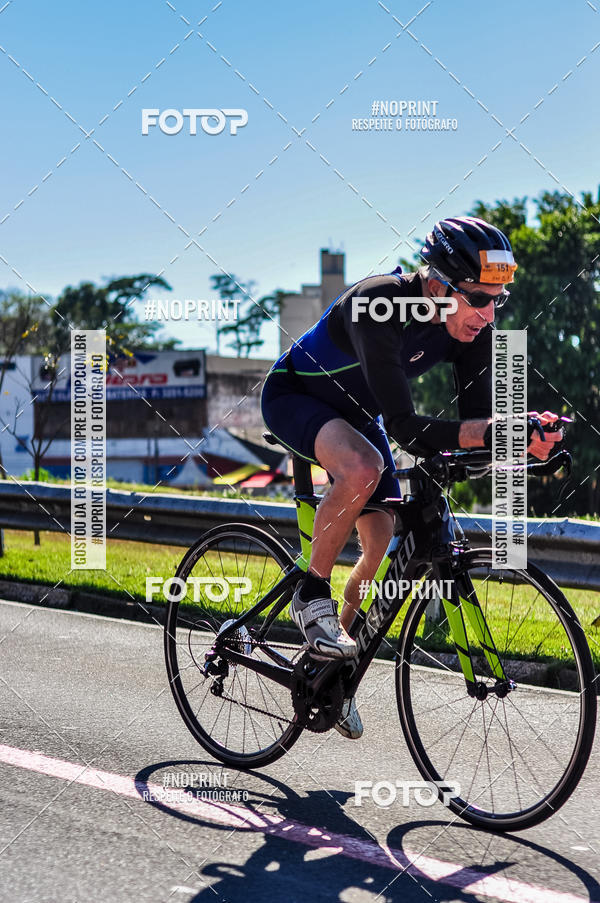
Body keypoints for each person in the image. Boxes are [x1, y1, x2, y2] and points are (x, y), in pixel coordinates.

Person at [261, 216, 563, 739]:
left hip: (359, 415)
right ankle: (311, 594)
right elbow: (407, 426)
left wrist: (521, 442)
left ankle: (333, 671)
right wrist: (495, 432)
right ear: (439, 284)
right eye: (478, 298)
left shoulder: (472, 331)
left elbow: (472, 431)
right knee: (364, 467)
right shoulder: (378, 304)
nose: (489, 314)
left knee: (381, 538)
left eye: (499, 300)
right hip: (295, 398)